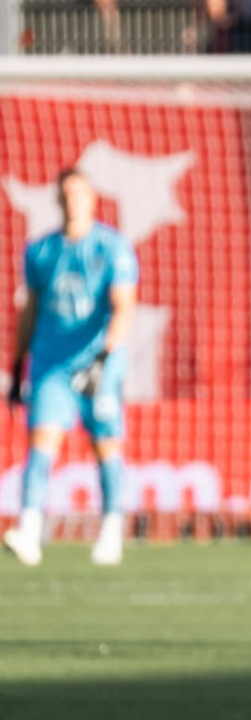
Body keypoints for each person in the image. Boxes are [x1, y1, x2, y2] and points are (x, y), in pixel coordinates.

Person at [4, 167, 138, 567]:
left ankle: (112, 529)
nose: (72, 200)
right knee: (40, 447)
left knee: (105, 446)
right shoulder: (40, 251)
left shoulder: (111, 248)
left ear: (92, 199)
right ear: (58, 200)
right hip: (50, 365)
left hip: (100, 364)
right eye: (66, 194)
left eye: (80, 193)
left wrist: (102, 360)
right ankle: (29, 531)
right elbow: (29, 313)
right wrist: (16, 364)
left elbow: (123, 309)